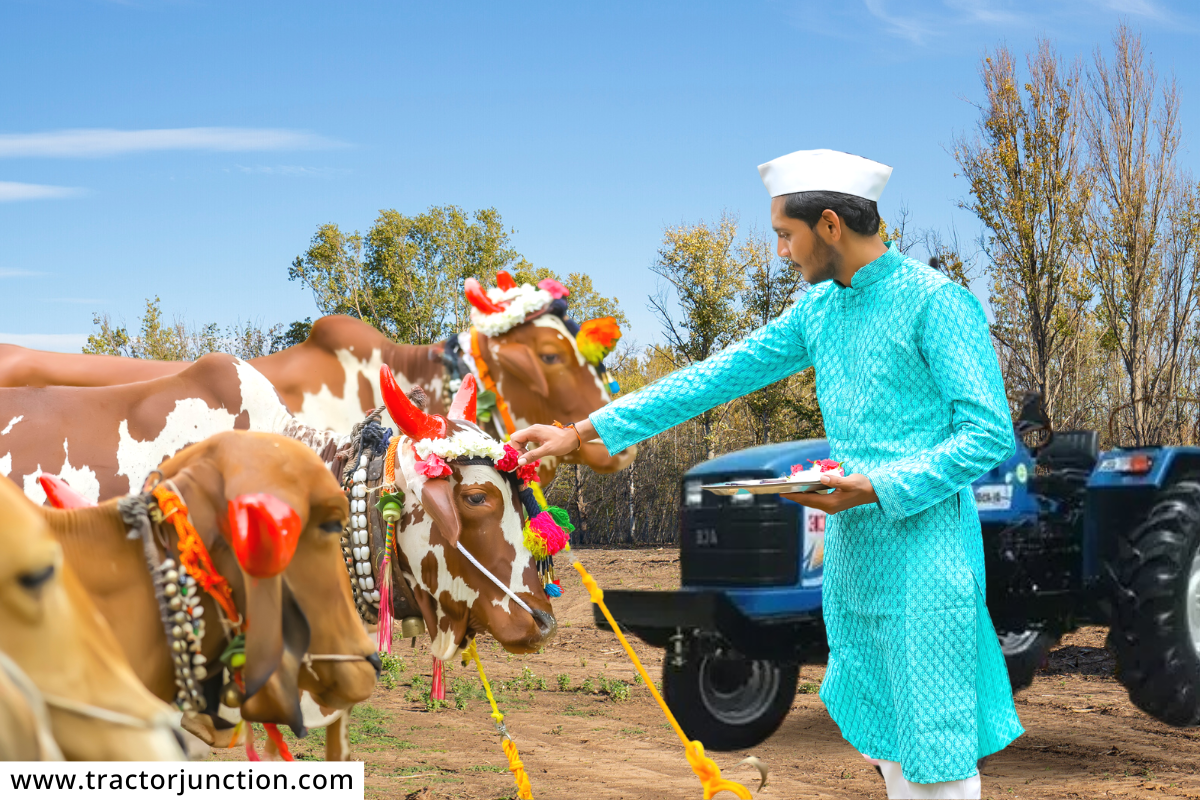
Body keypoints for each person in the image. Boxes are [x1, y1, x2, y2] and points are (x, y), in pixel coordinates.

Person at [510, 149, 1024, 799]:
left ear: (830, 225)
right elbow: (712, 377)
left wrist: (874, 486)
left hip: (928, 559)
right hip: (855, 559)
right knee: (889, 748)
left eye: (786, 234)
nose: (781, 251)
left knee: (936, 749)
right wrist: (580, 431)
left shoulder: (937, 304)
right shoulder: (819, 311)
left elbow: (986, 435)